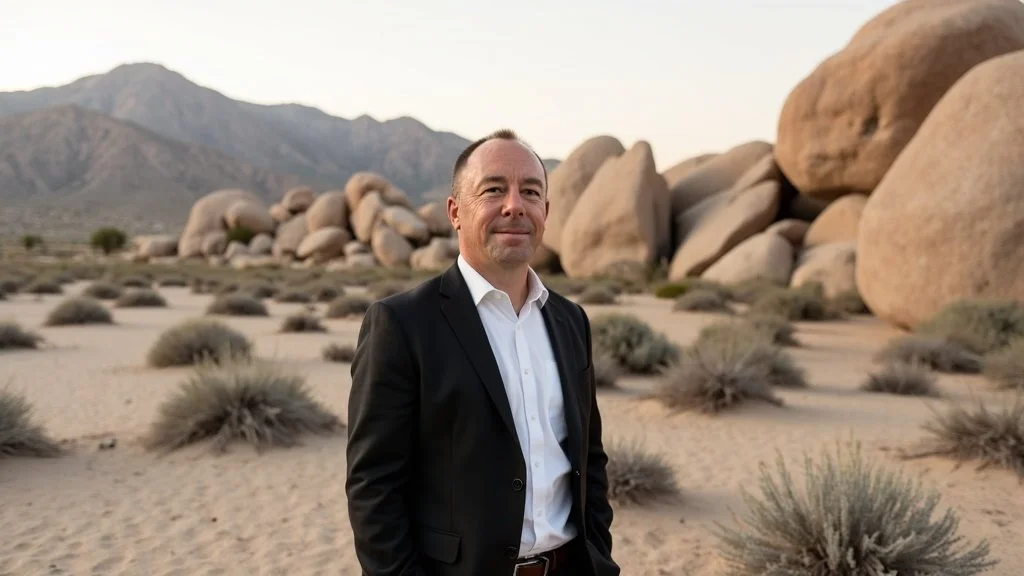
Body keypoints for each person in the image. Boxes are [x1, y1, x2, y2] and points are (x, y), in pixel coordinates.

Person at [346, 128, 620, 576]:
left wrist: (599, 556)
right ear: (455, 212)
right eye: (494, 189)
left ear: (545, 212)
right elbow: (373, 486)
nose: (515, 205)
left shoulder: (571, 322)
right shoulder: (402, 324)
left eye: (530, 192)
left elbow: (589, 459)